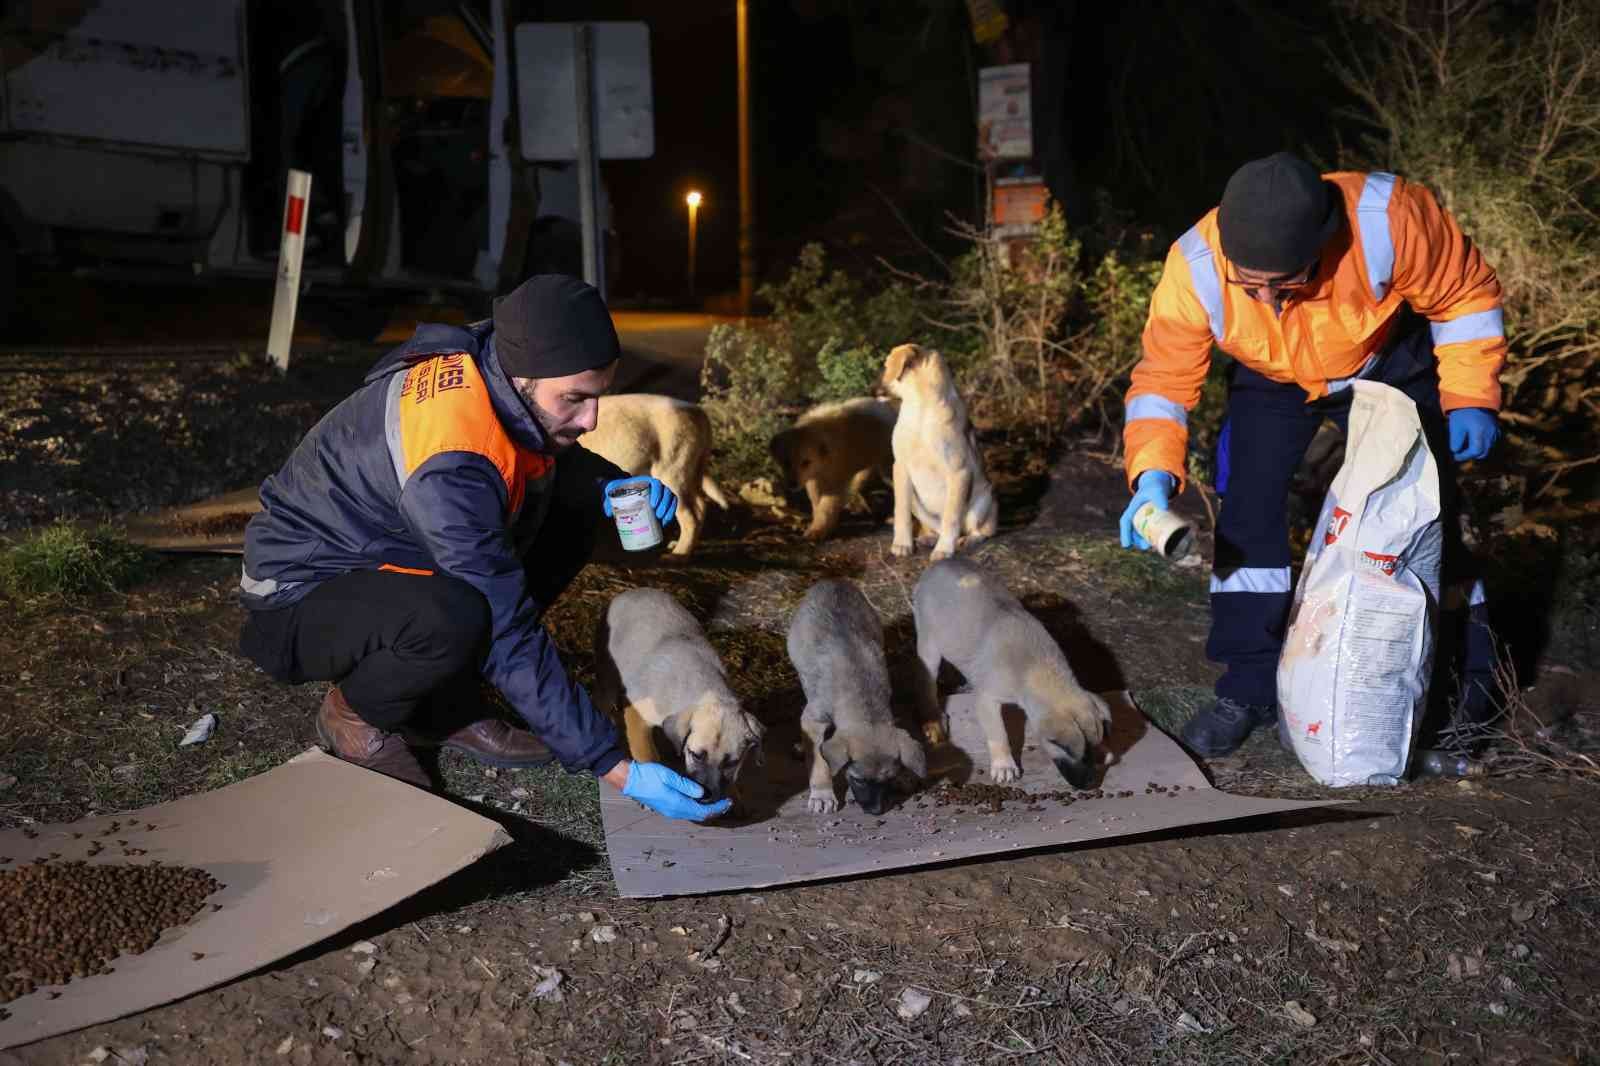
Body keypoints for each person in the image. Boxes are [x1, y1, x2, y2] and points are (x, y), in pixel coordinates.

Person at [238, 275, 729, 822]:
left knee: (571, 512)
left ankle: (441, 706)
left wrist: (606, 487)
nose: (591, 419)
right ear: (522, 377)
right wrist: (613, 764)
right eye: (575, 398)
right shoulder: (451, 462)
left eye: (598, 396)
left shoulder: (495, 361)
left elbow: (544, 448)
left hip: (386, 548)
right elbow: (506, 625)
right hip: (300, 591)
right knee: (460, 616)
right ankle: (355, 713)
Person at [1119, 153, 1504, 758]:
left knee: (1425, 518)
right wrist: (1151, 473)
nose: (1270, 297)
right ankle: (1248, 687)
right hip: (1273, 379)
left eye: (1287, 283)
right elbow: (1164, 379)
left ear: (1322, 245)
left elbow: (1464, 298)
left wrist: (1470, 396)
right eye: (1252, 285)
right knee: (1247, 512)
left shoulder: (1387, 218)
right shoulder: (1193, 265)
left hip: (1387, 360)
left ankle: (1463, 691)